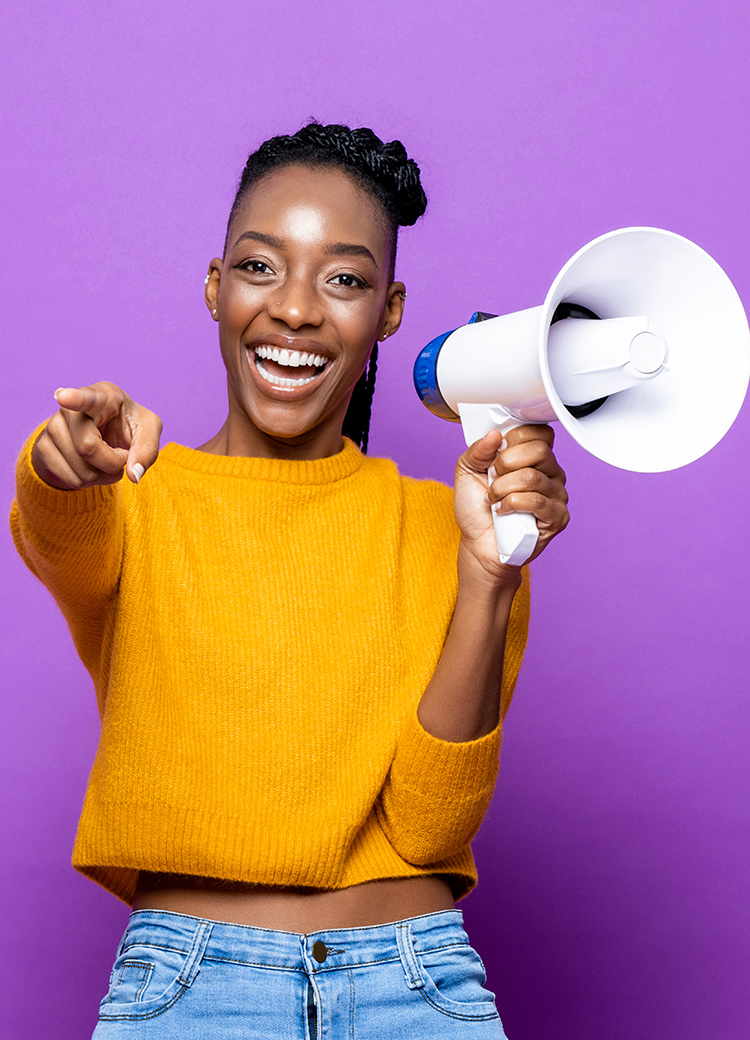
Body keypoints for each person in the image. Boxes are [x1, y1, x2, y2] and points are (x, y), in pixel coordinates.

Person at [11, 122, 569, 1038]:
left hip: (416, 986)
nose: (298, 310)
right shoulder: (137, 499)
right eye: (261, 267)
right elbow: (55, 524)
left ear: (388, 311)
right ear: (214, 285)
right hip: (189, 995)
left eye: (343, 279)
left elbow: (431, 830)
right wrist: (64, 458)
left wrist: (487, 574)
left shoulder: (453, 525)